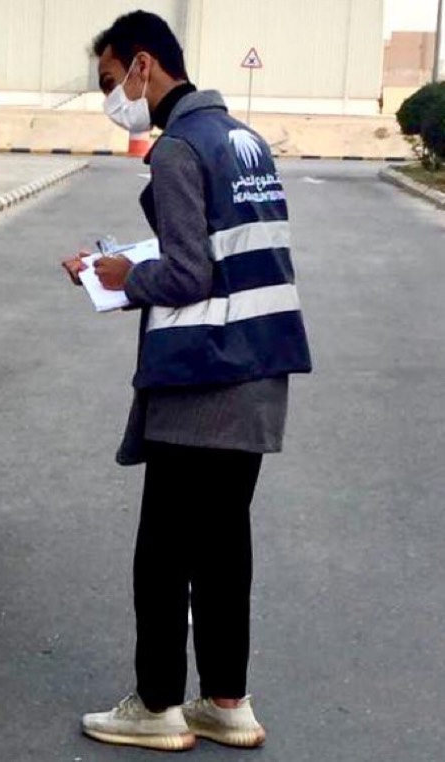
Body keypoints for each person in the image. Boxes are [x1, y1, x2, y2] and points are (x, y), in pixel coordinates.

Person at [62, 10, 312, 752]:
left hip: (204, 378)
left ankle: (158, 706)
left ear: (144, 66)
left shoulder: (176, 148)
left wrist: (119, 276)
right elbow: (223, 252)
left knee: (164, 552)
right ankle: (227, 702)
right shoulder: (243, 140)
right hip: (260, 370)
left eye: (111, 80)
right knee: (225, 545)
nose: (111, 98)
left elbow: (187, 274)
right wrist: (136, 265)